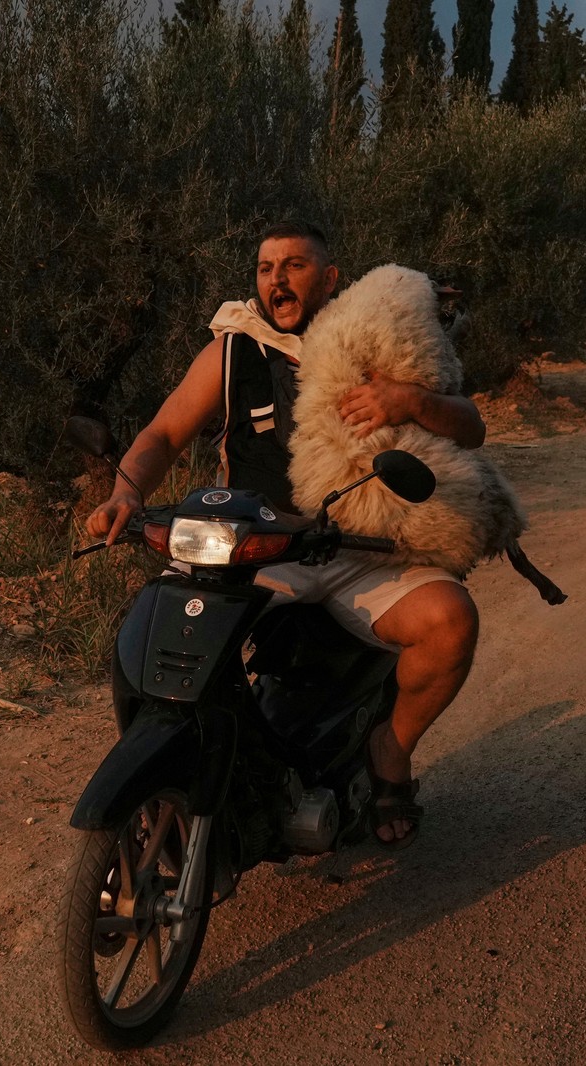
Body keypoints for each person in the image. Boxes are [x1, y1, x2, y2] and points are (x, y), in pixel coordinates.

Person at [85, 221, 484, 848]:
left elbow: (471, 427)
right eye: (267, 267)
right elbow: (162, 435)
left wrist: (409, 400)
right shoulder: (235, 348)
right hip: (254, 549)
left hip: (361, 548)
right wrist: (125, 491)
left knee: (451, 622)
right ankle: (163, 781)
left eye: (295, 265)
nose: (278, 279)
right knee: (158, 631)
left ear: (328, 279)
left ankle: (391, 749)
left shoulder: (374, 339)